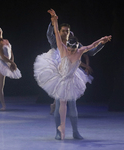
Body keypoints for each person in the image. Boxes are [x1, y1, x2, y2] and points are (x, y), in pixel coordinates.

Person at [34, 8, 112, 140]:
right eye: (63, 31)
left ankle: (75, 131)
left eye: (67, 31)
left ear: (70, 32)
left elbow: (90, 50)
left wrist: (101, 43)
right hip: (59, 74)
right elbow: (50, 35)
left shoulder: (76, 45)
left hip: (72, 75)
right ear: (59, 32)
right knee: (59, 104)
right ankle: (58, 132)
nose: (65, 33)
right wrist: (53, 21)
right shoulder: (56, 42)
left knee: (73, 105)